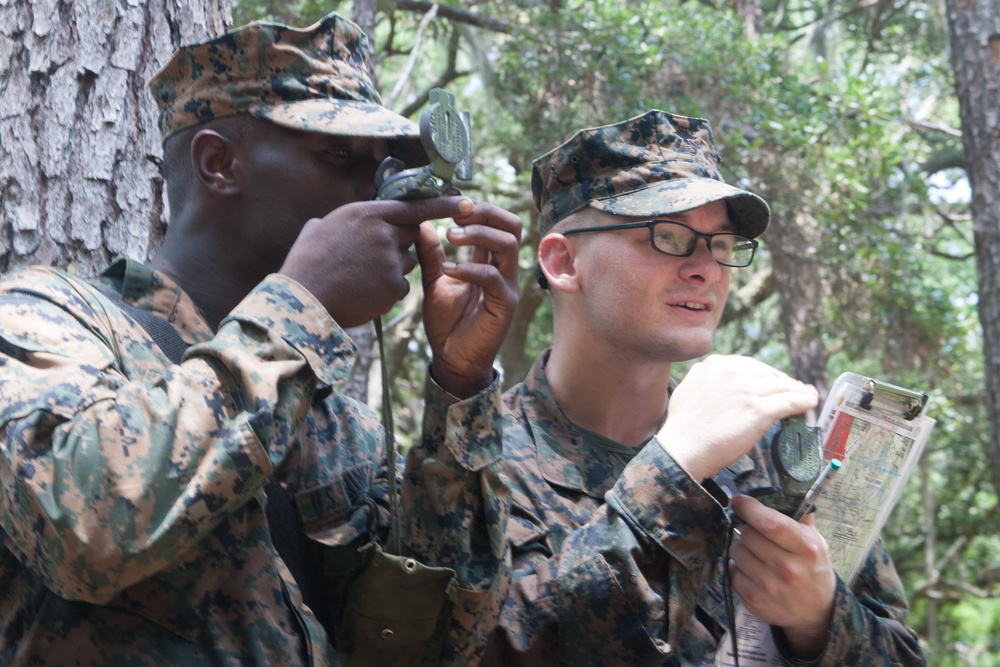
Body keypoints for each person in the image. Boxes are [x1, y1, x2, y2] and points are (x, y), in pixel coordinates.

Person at [0, 12, 520, 667]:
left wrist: (460, 385)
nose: (376, 193)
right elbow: (85, 528)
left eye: (382, 168)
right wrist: (302, 305)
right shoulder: (41, 318)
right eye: (340, 158)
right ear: (219, 164)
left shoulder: (333, 422)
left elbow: (452, 639)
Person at [481, 110, 926, 665]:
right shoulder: (474, 461)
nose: (707, 269)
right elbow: (469, 650)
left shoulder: (770, 454)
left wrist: (820, 619)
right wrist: (670, 471)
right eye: (668, 236)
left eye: (721, 244)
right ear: (563, 262)